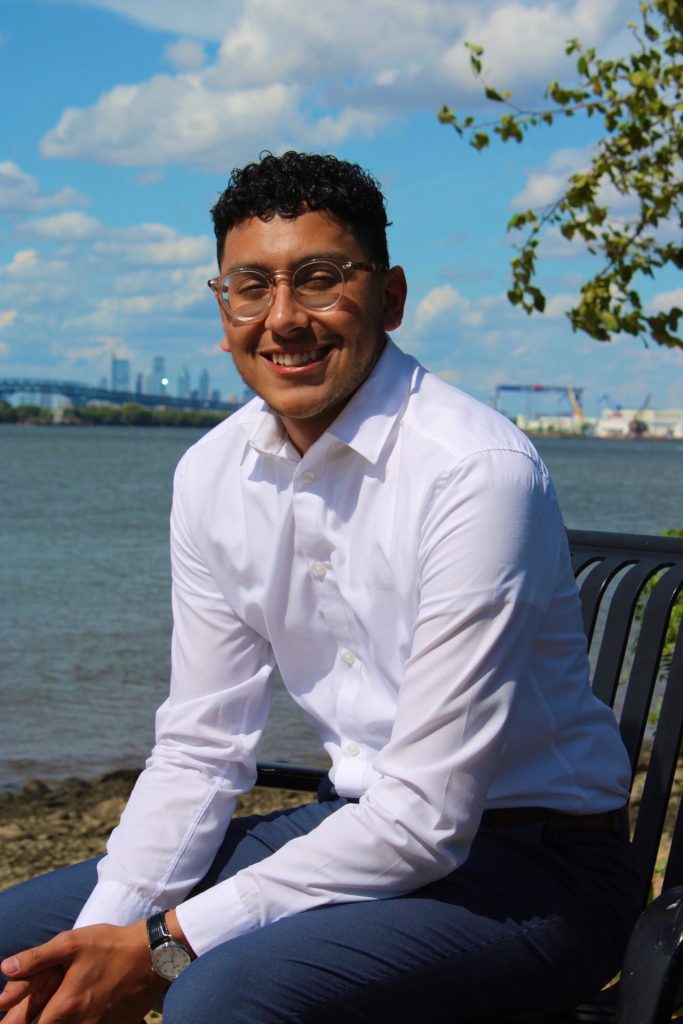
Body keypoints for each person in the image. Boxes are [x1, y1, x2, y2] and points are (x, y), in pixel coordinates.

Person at [0, 151, 639, 1024]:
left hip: (535, 870)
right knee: (17, 951)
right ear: (221, 310)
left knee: (223, 996)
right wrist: (102, 941)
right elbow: (199, 749)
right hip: (355, 827)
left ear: (391, 296)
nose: (284, 319)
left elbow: (427, 817)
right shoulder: (210, 474)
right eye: (250, 287)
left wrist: (163, 946)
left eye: (320, 278)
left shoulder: (474, 473)